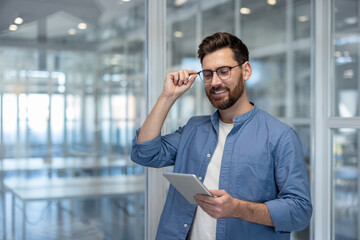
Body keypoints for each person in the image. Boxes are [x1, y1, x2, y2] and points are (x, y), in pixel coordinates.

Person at [131, 32, 312, 240]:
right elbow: (144, 153)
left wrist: (237, 208)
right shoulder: (193, 129)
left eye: (224, 71)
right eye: (207, 74)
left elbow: (299, 212)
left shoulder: (281, 137)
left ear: (246, 70)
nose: (215, 82)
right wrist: (167, 97)